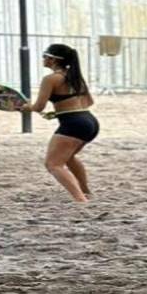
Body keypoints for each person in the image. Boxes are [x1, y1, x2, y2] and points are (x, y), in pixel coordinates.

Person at [18, 43, 98, 203]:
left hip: (73, 124)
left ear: (53, 59)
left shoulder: (50, 79)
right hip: (90, 121)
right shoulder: (75, 77)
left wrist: (24, 107)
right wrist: (59, 112)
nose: (43, 59)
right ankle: (86, 191)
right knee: (68, 157)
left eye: (44, 56)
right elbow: (88, 102)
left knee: (53, 164)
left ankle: (80, 199)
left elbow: (38, 106)